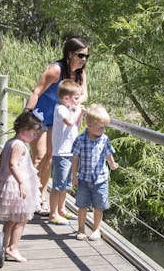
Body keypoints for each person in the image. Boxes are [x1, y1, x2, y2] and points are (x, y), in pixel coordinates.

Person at [24, 37, 89, 215]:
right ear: (69, 54)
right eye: (81, 55)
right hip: (41, 116)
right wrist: (26, 115)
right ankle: (26, 194)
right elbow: (37, 91)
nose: (84, 59)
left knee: (51, 158)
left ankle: (41, 196)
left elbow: (84, 95)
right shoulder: (55, 70)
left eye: (86, 56)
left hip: (59, 119)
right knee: (40, 156)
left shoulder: (80, 73)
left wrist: (74, 105)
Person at [0, 110, 43, 262]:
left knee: (11, 219)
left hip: (9, 184)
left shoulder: (10, 142)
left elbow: (1, 160)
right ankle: (12, 247)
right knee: (21, 218)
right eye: (34, 133)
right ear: (23, 129)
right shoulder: (20, 145)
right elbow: (12, 164)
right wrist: (21, 181)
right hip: (17, 186)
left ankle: (3, 246)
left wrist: (3, 175)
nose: (35, 136)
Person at [71, 104, 118, 242]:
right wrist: (74, 176)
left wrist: (112, 164)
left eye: (104, 127)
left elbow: (108, 154)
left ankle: (97, 229)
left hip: (100, 179)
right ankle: (81, 228)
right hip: (84, 179)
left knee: (99, 206)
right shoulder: (80, 140)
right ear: (89, 125)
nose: (102, 130)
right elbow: (75, 158)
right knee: (82, 205)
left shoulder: (104, 139)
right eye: (100, 128)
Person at [49, 80, 86, 225]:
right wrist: (77, 111)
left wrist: (80, 114)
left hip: (71, 152)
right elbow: (69, 122)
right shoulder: (61, 109)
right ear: (66, 98)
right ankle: (53, 214)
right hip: (61, 153)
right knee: (58, 185)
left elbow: (77, 125)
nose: (78, 101)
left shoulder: (70, 109)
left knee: (66, 185)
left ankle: (62, 209)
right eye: (76, 98)